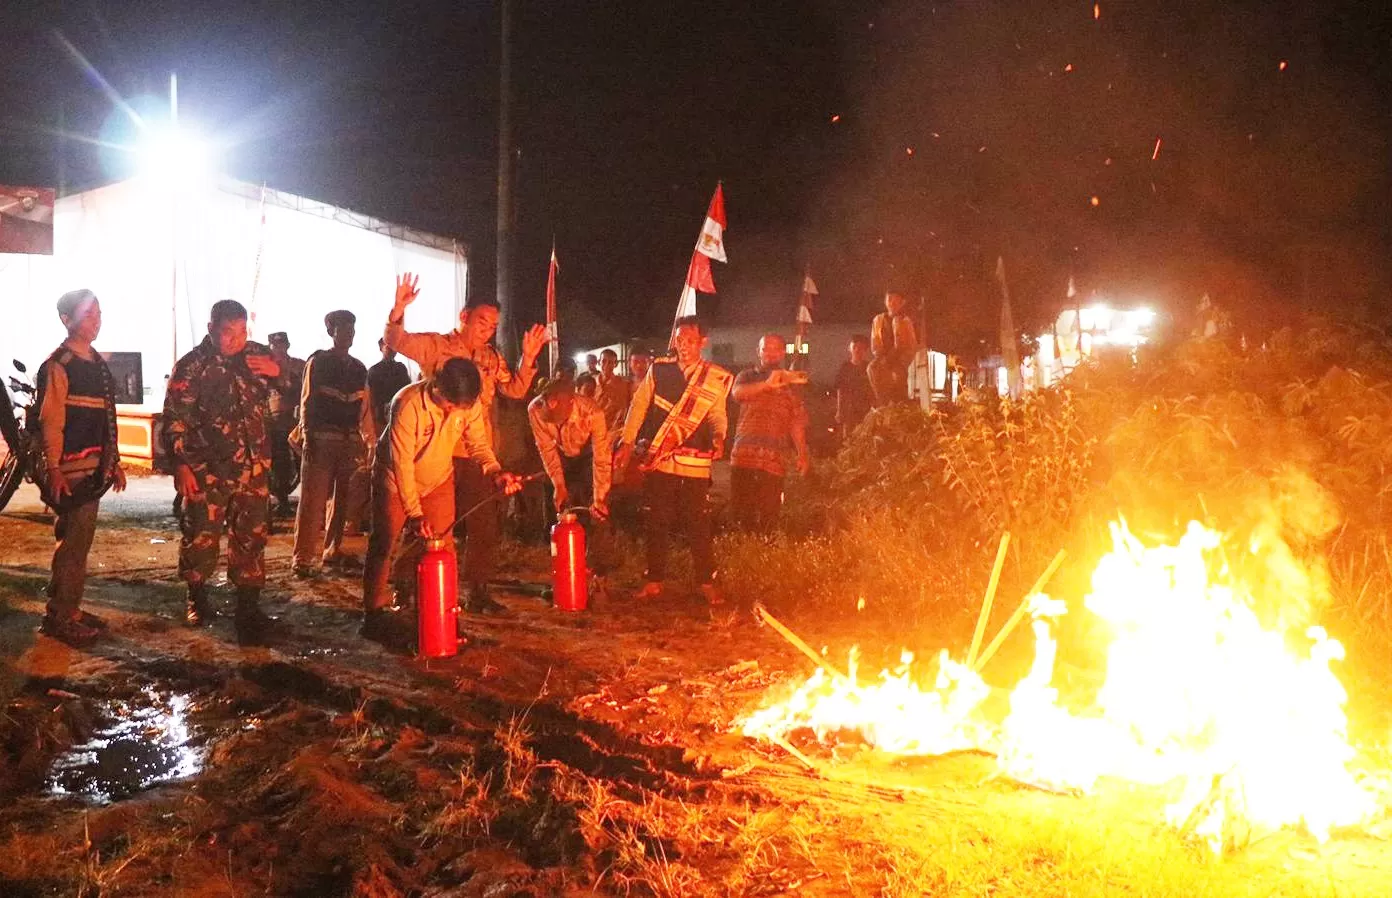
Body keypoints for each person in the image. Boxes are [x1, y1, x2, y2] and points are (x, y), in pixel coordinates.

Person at [383, 272, 549, 613]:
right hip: (437, 450)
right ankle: (405, 584)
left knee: (484, 524)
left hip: (476, 451)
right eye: (481, 322)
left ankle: (478, 590)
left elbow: (514, 390)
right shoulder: (437, 346)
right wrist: (398, 309)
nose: (486, 331)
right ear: (464, 316)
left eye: (493, 326)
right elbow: (397, 340)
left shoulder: (491, 358)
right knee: (428, 524)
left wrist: (529, 358)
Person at [362, 358, 523, 648]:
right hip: (395, 480)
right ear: (436, 386)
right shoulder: (407, 404)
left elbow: (478, 443)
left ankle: (444, 616)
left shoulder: (468, 403)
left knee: (443, 548)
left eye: (461, 407)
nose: (454, 412)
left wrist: (495, 471)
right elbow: (402, 464)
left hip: (438, 479)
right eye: (450, 405)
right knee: (384, 542)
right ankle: (373, 614)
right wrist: (414, 513)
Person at [164, 300, 286, 645]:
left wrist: (277, 371)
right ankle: (197, 598)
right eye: (228, 332)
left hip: (254, 467)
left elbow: (289, 387)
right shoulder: (192, 366)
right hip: (209, 470)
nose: (236, 339)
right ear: (211, 329)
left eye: (242, 331)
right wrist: (181, 465)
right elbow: (174, 419)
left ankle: (248, 609)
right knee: (201, 536)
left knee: (251, 538)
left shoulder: (257, 357)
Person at [31, 289, 127, 646]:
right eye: (88, 314)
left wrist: (113, 462)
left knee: (79, 542)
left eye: (98, 313)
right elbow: (51, 421)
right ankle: (59, 616)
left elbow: (107, 418)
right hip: (71, 471)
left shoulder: (97, 363)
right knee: (72, 544)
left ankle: (69, 609)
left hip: (95, 469)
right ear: (66, 319)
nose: (96, 321)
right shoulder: (59, 365)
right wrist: (54, 469)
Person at [616, 316, 732, 604]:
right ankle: (654, 580)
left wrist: (719, 437)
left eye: (690, 340)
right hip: (660, 459)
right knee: (657, 519)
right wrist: (627, 443)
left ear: (703, 342)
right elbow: (638, 406)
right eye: (680, 340)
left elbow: (717, 415)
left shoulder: (714, 378)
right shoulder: (659, 369)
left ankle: (706, 582)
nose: (684, 345)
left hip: (696, 462)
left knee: (698, 523)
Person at [291, 310, 375, 577]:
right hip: (321, 440)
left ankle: (332, 550)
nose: (349, 334)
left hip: (349, 442)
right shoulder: (318, 362)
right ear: (331, 332)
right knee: (312, 502)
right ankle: (302, 559)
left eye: (352, 329)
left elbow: (364, 407)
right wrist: (307, 436)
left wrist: (368, 441)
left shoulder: (359, 368)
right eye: (343, 329)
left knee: (341, 502)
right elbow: (306, 400)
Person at [527, 376, 615, 588]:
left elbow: (601, 458)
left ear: (571, 403)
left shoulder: (593, 413)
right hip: (560, 454)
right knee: (563, 507)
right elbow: (546, 449)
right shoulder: (535, 410)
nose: (556, 423)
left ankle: (599, 569)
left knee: (597, 511)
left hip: (587, 453)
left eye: (559, 418)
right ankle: (568, 562)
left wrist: (600, 496)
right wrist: (559, 485)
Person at [729, 334, 810, 532]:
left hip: (774, 458)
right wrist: (767, 384)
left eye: (776, 349)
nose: (770, 353)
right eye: (766, 349)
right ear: (758, 352)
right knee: (741, 511)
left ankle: (766, 547)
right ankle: (742, 546)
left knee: (769, 512)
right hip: (744, 456)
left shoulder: (792, 383)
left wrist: (802, 453)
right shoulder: (747, 376)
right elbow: (737, 394)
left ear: (783, 353)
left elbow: (796, 421)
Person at [266, 332, 306, 518]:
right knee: (278, 465)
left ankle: (303, 501)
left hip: (295, 423)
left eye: (281, 345)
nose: (278, 349)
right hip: (274, 425)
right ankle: (281, 500)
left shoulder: (298, 366)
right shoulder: (265, 368)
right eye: (275, 346)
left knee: (300, 463)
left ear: (287, 345)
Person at [867, 292, 919, 406]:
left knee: (898, 378)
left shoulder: (905, 321)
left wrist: (897, 359)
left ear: (901, 303)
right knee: (872, 368)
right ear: (885, 302)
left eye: (895, 300)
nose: (892, 303)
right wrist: (881, 356)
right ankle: (882, 402)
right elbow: (875, 342)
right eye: (889, 299)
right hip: (883, 357)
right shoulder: (878, 320)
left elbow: (909, 345)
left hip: (900, 359)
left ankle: (900, 403)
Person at [367, 337, 411, 437]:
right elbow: (371, 399)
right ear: (381, 347)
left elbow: (406, 392)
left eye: (394, 346)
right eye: (388, 346)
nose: (392, 349)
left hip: (399, 416)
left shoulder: (401, 368)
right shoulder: (374, 371)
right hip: (381, 418)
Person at [834, 334, 875, 439]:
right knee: (848, 438)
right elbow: (840, 390)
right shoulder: (845, 368)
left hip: (865, 409)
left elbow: (873, 389)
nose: (857, 350)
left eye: (860, 348)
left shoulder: (869, 368)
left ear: (865, 350)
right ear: (850, 348)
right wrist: (839, 410)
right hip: (849, 409)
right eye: (855, 347)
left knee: (865, 437)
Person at [594, 348, 632, 434]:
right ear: (599, 362)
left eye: (610, 362)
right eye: (604, 361)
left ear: (616, 364)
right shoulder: (592, 383)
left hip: (613, 432)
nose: (607, 365)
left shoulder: (623, 385)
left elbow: (623, 410)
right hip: (593, 430)